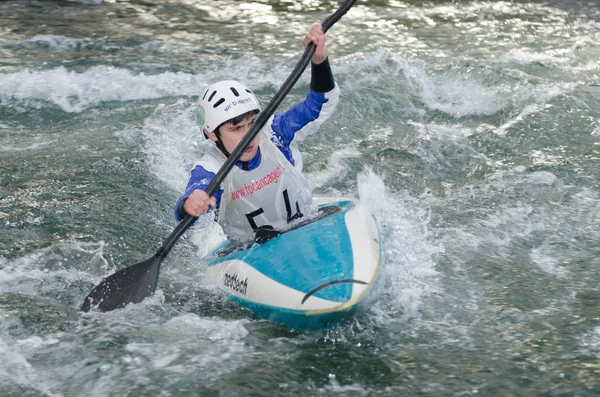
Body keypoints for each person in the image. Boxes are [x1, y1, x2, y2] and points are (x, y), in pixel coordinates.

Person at [174, 24, 339, 243]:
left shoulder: (275, 134)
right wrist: (190, 205)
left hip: (305, 224)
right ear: (212, 134)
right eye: (235, 128)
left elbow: (319, 104)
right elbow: (191, 207)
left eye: (251, 124)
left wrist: (319, 61)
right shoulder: (210, 168)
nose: (249, 135)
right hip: (250, 253)